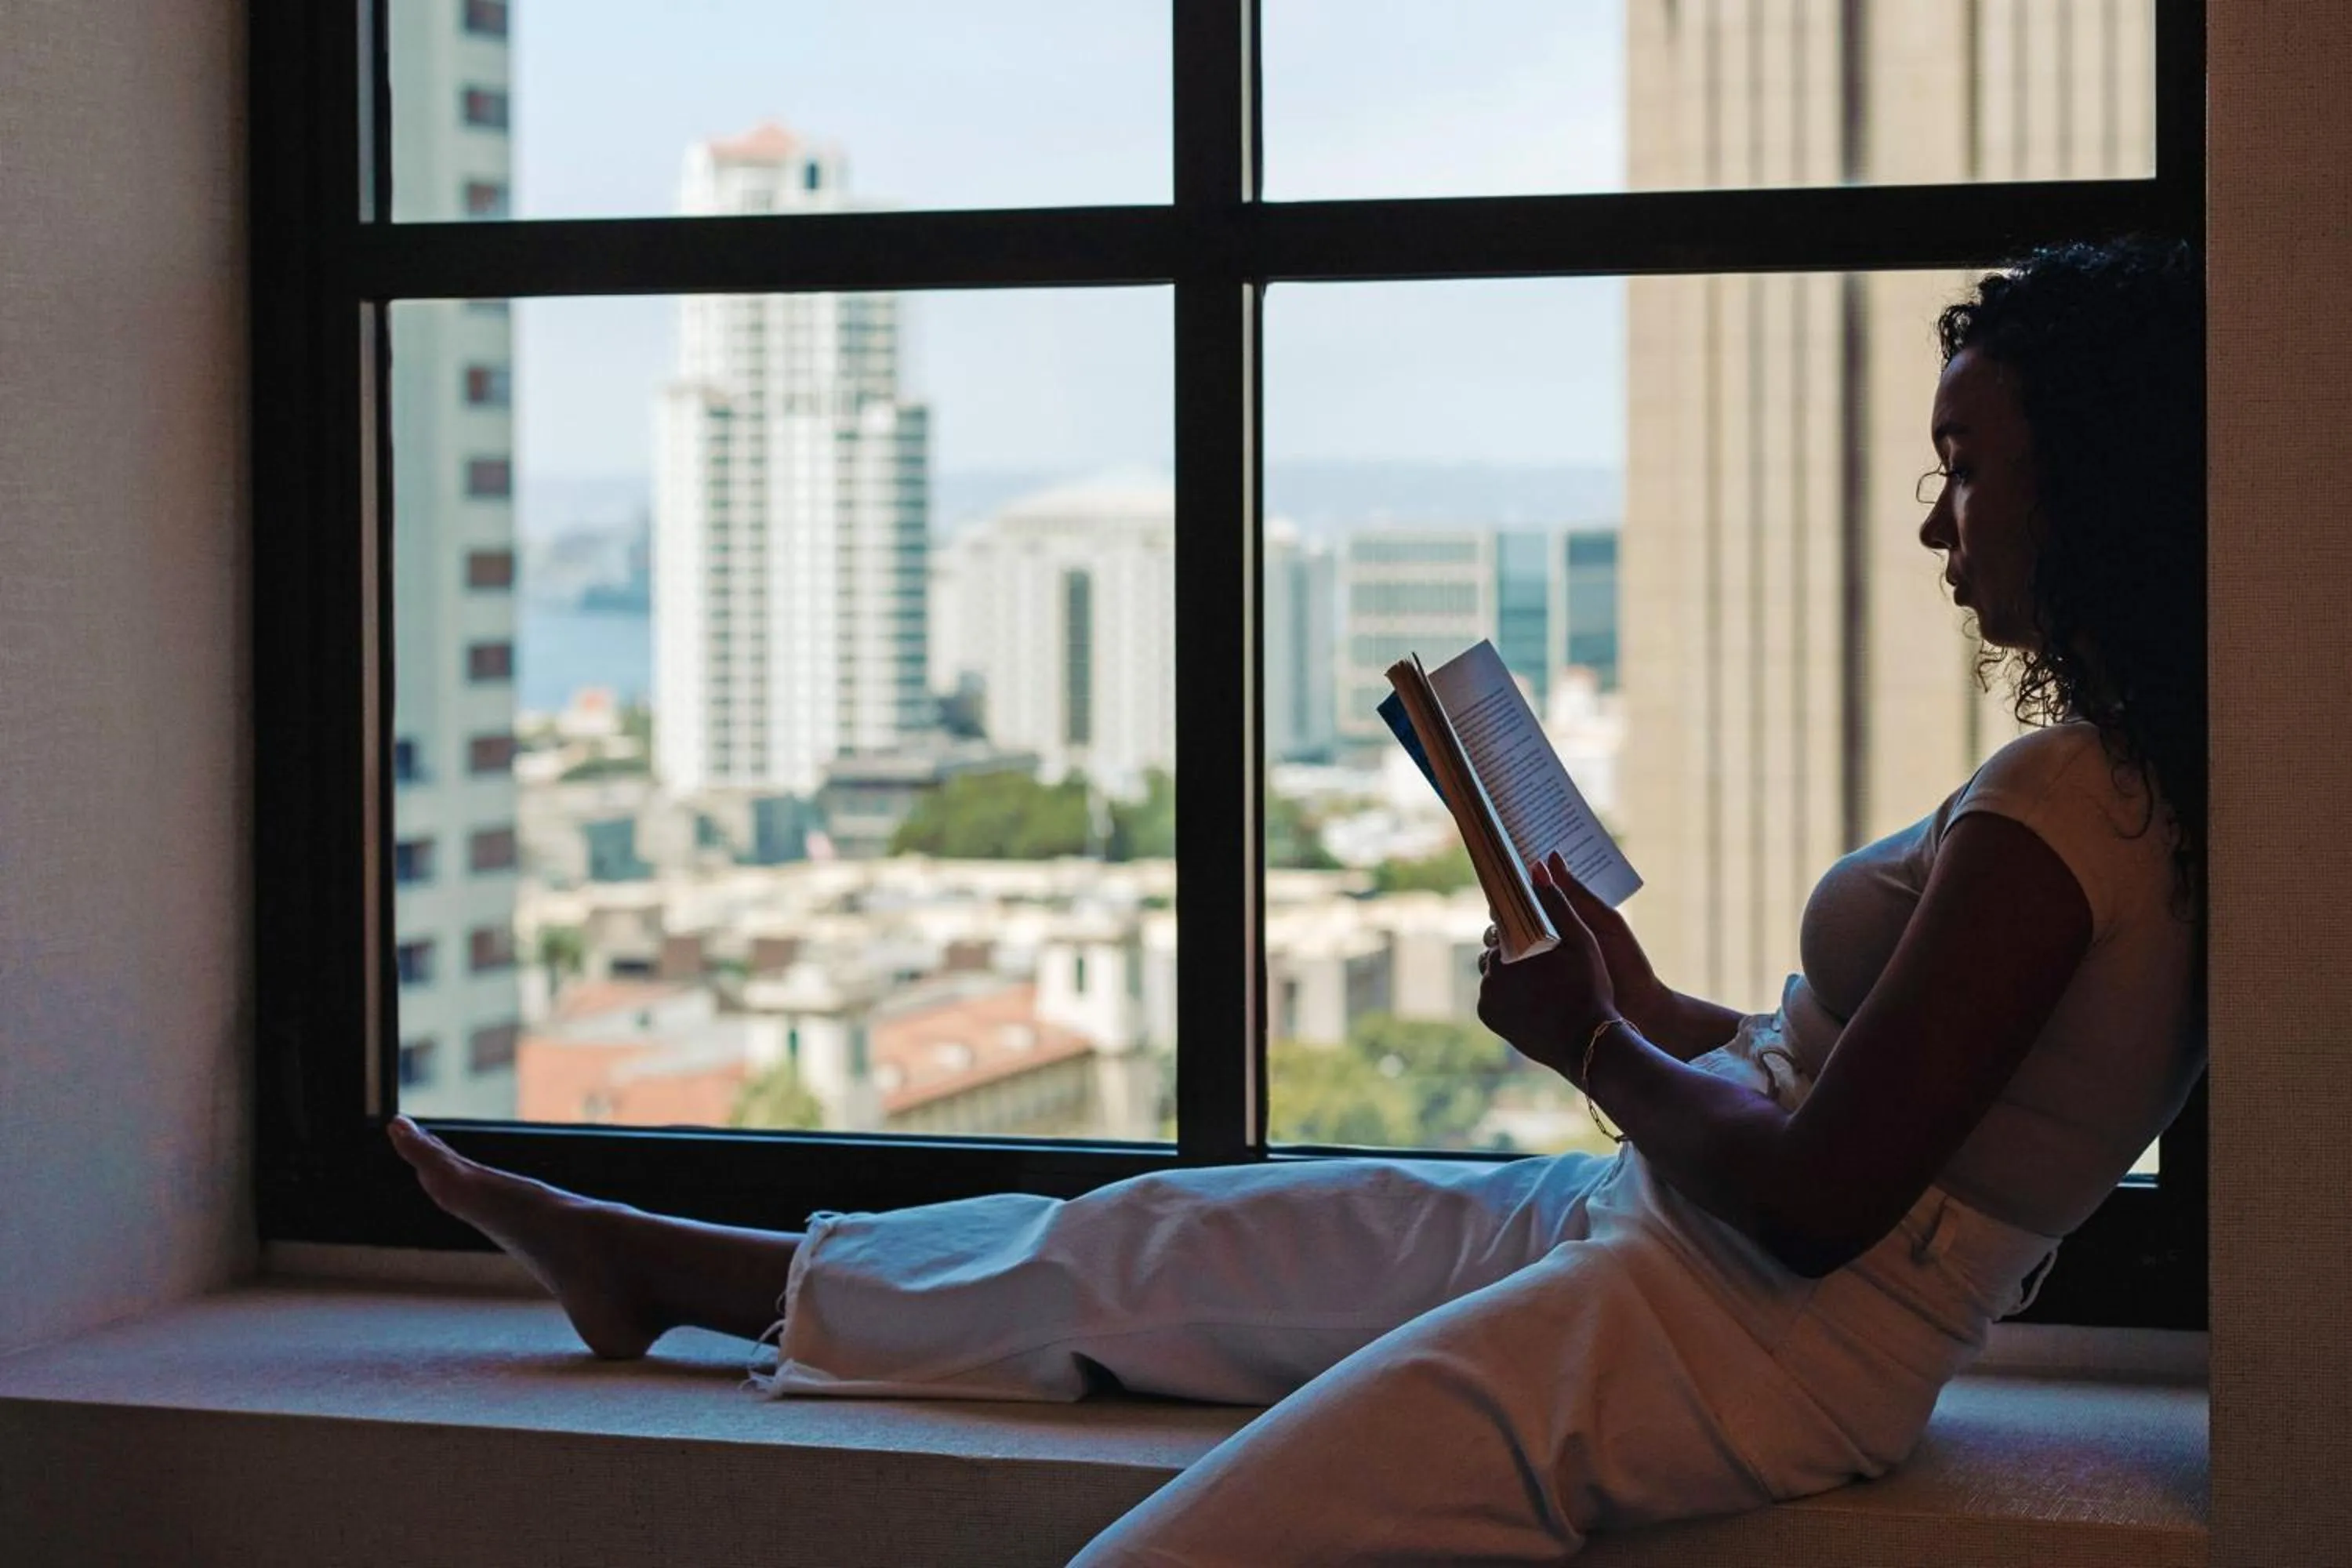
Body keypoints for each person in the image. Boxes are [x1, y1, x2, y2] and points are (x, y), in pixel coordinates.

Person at [388, 236, 2205, 1565]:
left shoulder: (2073, 810)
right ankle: (677, 1265)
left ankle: (697, 1271)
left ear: (2098, 485)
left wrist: (1591, 1045)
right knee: (1163, 1237)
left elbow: (1824, 1203)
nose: (1936, 520)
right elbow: (1843, 1093)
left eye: (1969, 467)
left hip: (1752, 1331)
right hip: (1677, 1226)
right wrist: (1644, 1007)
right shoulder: (2112, 793)